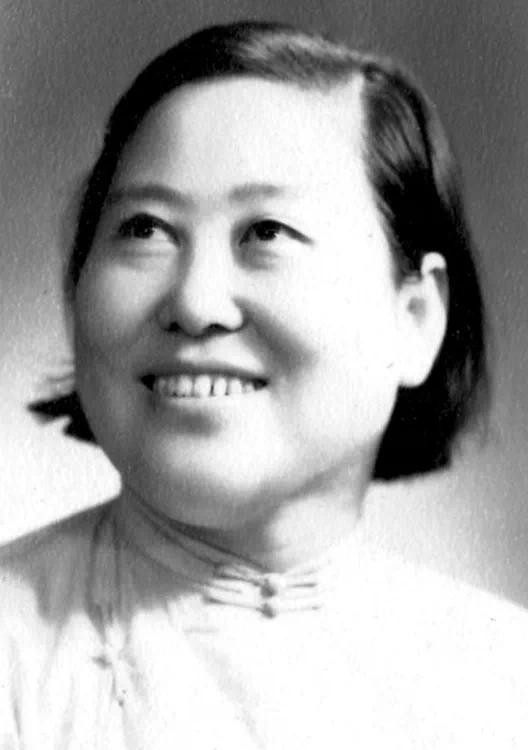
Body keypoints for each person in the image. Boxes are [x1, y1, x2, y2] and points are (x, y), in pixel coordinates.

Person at [1, 20, 526, 749]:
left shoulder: (503, 680)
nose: (196, 303)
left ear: (414, 318)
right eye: (145, 229)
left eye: (267, 233)